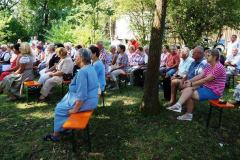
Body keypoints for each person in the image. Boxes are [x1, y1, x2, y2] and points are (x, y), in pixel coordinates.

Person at [43, 48, 99, 142]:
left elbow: (82, 95)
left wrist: (75, 109)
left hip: (87, 101)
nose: (74, 58)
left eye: (76, 56)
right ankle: (64, 128)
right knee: (62, 104)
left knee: (59, 108)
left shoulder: (83, 72)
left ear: (81, 58)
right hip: (91, 99)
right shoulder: (90, 67)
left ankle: (56, 135)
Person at [167, 49, 226, 121]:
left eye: (208, 55)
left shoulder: (219, 67)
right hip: (206, 87)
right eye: (206, 55)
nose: (206, 57)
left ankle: (184, 111)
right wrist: (189, 81)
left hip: (214, 91)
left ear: (214, 57)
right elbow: (200, 76)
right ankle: (179, 106)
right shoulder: (209, 66)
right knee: (186, 91)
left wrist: (191, 83)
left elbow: (206, 79)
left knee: (187, 93)